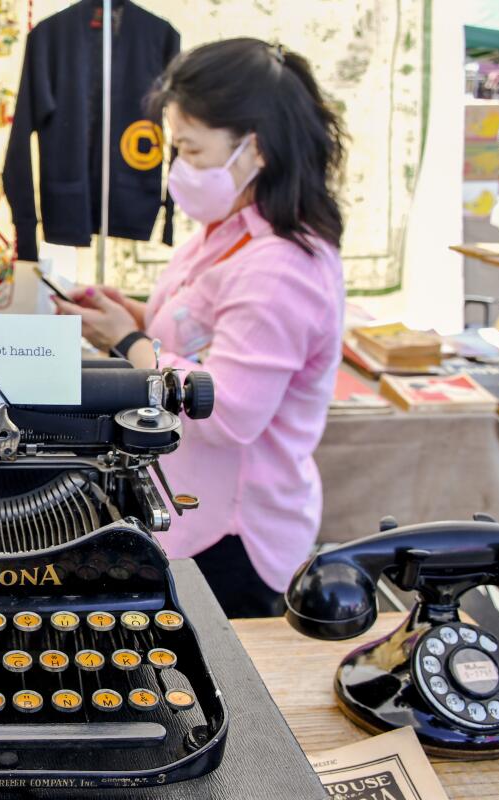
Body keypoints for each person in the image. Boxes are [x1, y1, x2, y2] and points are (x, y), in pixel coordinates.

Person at [53, 38, 346, 617]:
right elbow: (195, 332)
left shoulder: (282, 267)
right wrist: (134, 316)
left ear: (254, 149)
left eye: (190, 150)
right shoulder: (229, 229)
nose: (178, 169)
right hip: (187, 504)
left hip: (233, 531)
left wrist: (129, 342)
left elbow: (231, 412)